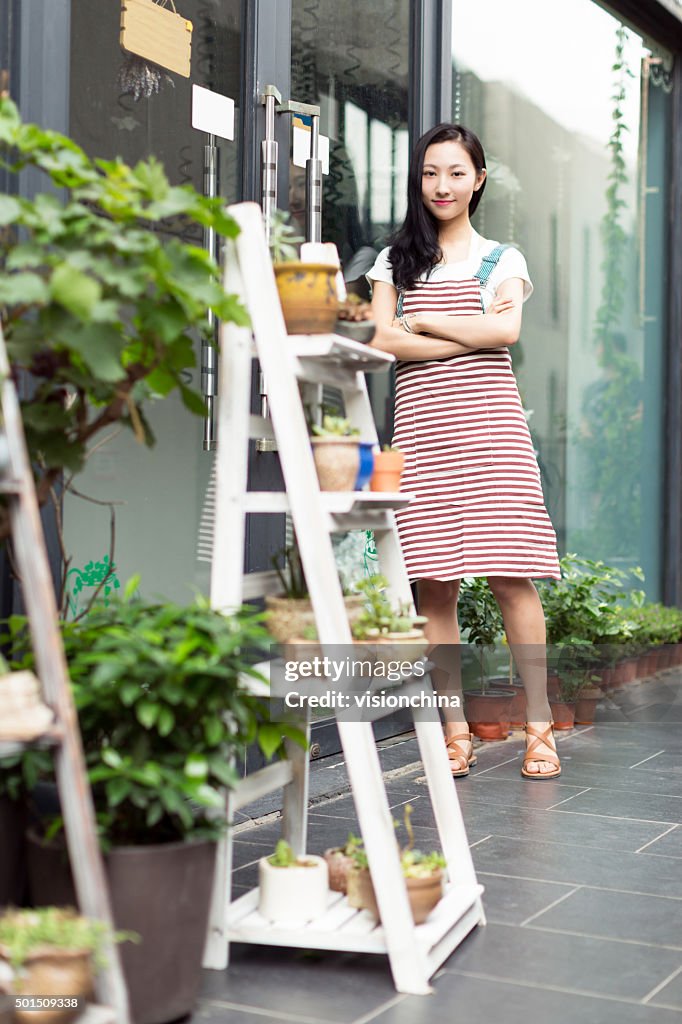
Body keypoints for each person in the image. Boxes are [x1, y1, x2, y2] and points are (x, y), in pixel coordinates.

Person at [366, 123, 561, 781]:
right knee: (435, 584)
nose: (441, 186)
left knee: (513, 574)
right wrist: (466, 336)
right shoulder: (393, 262)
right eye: (429, 173)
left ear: (478, 179)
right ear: (418, 181)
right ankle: (455, 733)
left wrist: (426, 323)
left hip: (491, 432)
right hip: (422, 435)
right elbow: (383, 340)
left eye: (455, 172)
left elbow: (505, 329)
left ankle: (539, 727)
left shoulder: (501, 258)